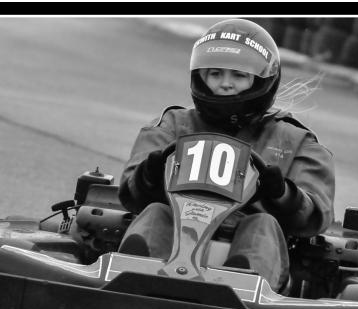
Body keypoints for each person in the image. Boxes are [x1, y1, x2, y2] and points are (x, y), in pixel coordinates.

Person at [116, 18, 335, 293]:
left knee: (263, 224)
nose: (225, 84)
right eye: (215, 74)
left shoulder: (295, 141)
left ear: (261, 80)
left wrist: (282, 194)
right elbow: (129, 192)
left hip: (248, 237)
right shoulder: (173, 125)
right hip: (175, 229)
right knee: (155, 212)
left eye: (239, 76)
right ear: (200, 77)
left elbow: (316, 214)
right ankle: (133, 275)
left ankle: (244, 285)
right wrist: (149, 176)